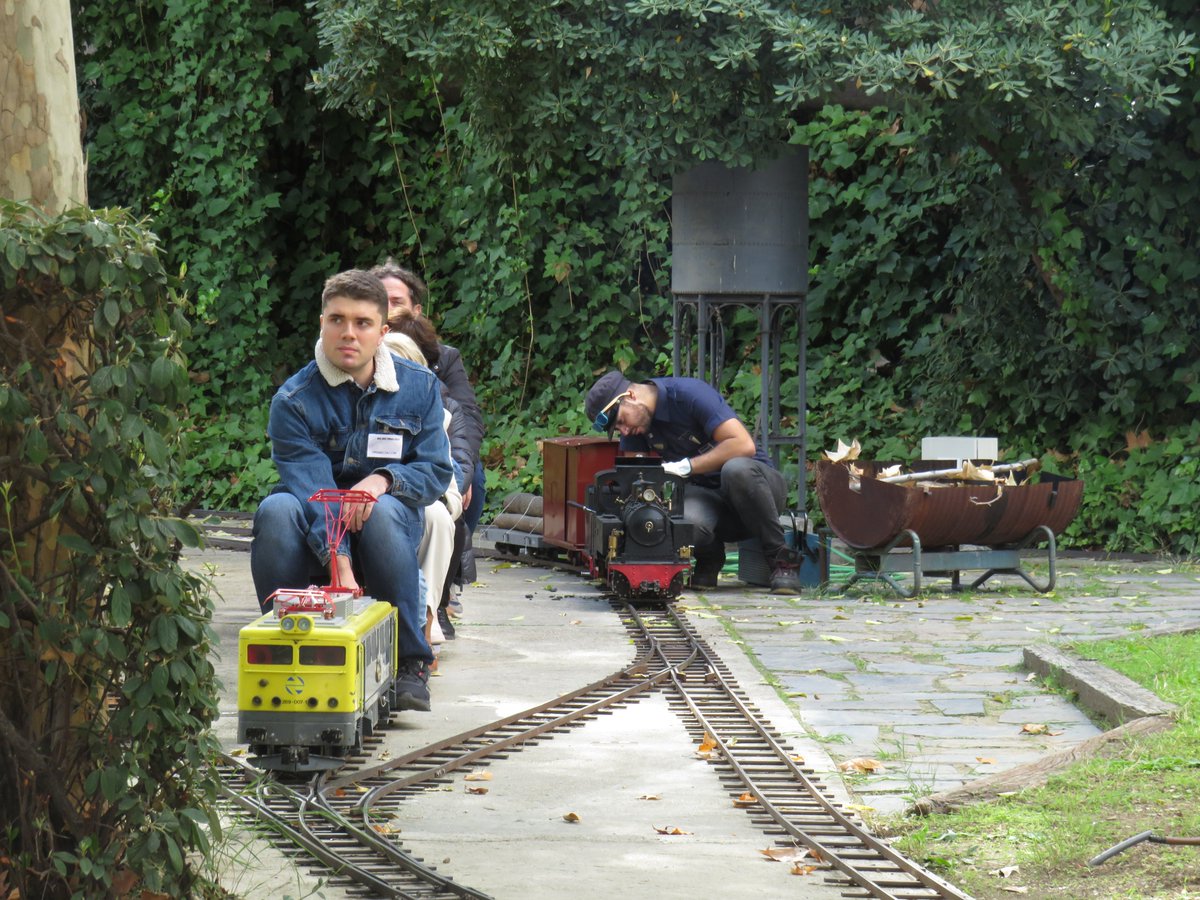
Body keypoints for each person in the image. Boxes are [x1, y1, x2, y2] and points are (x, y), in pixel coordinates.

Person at [250, 269, 453, 712]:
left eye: (362, 323)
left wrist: (383, 481)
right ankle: (283, 646)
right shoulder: (293, 400)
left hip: (388, 517)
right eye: (336, 320)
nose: (348, 333)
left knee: (380, 512)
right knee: (276, 510)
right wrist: (337, 558)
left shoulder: (419, 389)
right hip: (313, 522)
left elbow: (436, 470)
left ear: (383, 332)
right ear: (321, 323)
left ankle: (410, 662)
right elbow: (312, 484)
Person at [584, 370, 801, 594]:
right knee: (686, 519)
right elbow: (635, 482)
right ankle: (710, 558)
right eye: (618, 429)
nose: (624, 431)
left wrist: (686, 467)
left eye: (620, 422)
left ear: (630, 396)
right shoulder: (637, 426)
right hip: (711, 501)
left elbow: (743, 445)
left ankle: (782, 562)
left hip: (758, 493)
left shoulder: (690, 394)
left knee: (735, 470)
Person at [369, 261, 486, 605]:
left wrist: (458, 479)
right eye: (378, 300)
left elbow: (466, 418)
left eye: (395, 300)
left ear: (416, 310)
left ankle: (449, 570)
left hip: (435, 446)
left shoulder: (443, 357)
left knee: (472, 478)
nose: (387, 310)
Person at [382, 329, 465, 653]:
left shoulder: (437, 417)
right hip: (370, 503)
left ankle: (425, 620)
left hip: (422, 501)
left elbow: (449, 490)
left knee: (438, 517)